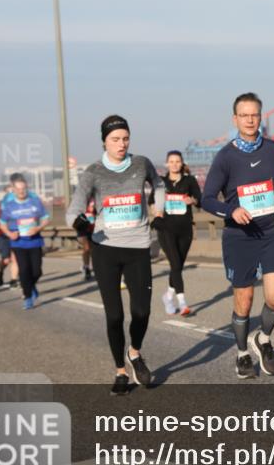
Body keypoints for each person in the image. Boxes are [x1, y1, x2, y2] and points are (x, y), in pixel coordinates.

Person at [67, 115, 165, 396]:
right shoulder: (93, 172)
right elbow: (73, 210)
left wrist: (159, 208)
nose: (121, 144)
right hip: (105, 249)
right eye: (115, 139)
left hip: (137, 247)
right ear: (104, 141)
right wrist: (82, 225)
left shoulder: (140, 163)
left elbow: (158, 185)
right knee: (114, 316)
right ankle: (120, 371)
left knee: (142, 311)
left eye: (125, 138)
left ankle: (134, 352)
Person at [203, 92, 274, 379]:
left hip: (271, 231)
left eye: (254, 114)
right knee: (244, 300)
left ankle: (264, 339)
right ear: (235, 119)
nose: (250, 120)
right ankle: (243, 353)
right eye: (244, 115)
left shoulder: (272, 149)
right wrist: (231, 211)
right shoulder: (225, 157)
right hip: (239, 236)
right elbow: (207, 199)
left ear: (261, 116)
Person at [159, 150, 201, 316]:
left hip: (185, 229)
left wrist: (192, 200)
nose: (175, 164)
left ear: (182, 163)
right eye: (172, 161)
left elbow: (200, 199)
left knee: (177, 266)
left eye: (178, 161)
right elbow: (152, 201)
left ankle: (168, 296)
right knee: (175, 264)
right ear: (167, 164)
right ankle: (182, 302)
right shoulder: (161, 182)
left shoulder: (189, 181)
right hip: (166, 229)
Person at [0, 174, 50, 309]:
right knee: (24, 270)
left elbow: (45, 218)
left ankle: (31, 286)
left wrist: (38, 228)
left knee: (37, 272)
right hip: (18, 243)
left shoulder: (35, 202)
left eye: (23, 189)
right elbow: (2, 223)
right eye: (18, 189)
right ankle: (27, 297)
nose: (21, 191)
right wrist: (9, 233)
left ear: (26, 188)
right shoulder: (9, 206)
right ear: (14, 190)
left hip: (35, 241)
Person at [0, 185, 19, 289]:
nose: (12, 192)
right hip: (3, 235)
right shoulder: (0, 205)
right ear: (5, 192)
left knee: (15, 258)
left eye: (13, 190)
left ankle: (14, 280)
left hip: (15, 235)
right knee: (6, 260)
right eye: (9, 191)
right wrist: (4, 227)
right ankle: (0, 272)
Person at [76, 199, 96, 281]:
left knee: (93, 250)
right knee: (86, 248)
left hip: (94, 229)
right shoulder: (82, 199)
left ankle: (91, 267)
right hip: (83, 230)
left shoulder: (96, 197)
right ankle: (86, 268)